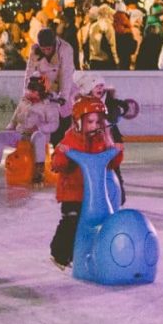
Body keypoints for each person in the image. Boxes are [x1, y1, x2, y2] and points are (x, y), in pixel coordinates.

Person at [49, 95, 124, 269]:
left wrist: (116, 152)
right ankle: (59, 253)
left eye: (98, 122)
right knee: (72, 221)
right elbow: (57, 163)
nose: (95, 126)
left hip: (94, 193)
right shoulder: (71, 139)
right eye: (90, 121)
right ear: (78, 122)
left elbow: (111, 165)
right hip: (72, 192)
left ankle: (86, 254)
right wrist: (63, 155)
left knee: (94, 224)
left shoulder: (102, 140)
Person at [0, 76, 60, 184]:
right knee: (0, 136)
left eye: (34, 91)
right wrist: (9, 129)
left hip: (38, 136)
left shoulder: (49, 105)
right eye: (29, 90)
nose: (30, 93)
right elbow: (14, 119)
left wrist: (40, 128)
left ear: (42, 91)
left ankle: (39, 171)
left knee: (38, 136)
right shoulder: (24, 101)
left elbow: (54, 124)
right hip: (21, 134)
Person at [27, 25, 78, 145]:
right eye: (43, 49)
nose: (46, 51)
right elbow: (29, 73)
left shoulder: (65, 49)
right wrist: (27, 93)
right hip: (45, 90)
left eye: (48, 49)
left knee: (63, 120)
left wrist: (63, 97)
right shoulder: (34, 50)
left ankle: (61, 148)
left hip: (65, 89)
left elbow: (66, 74)